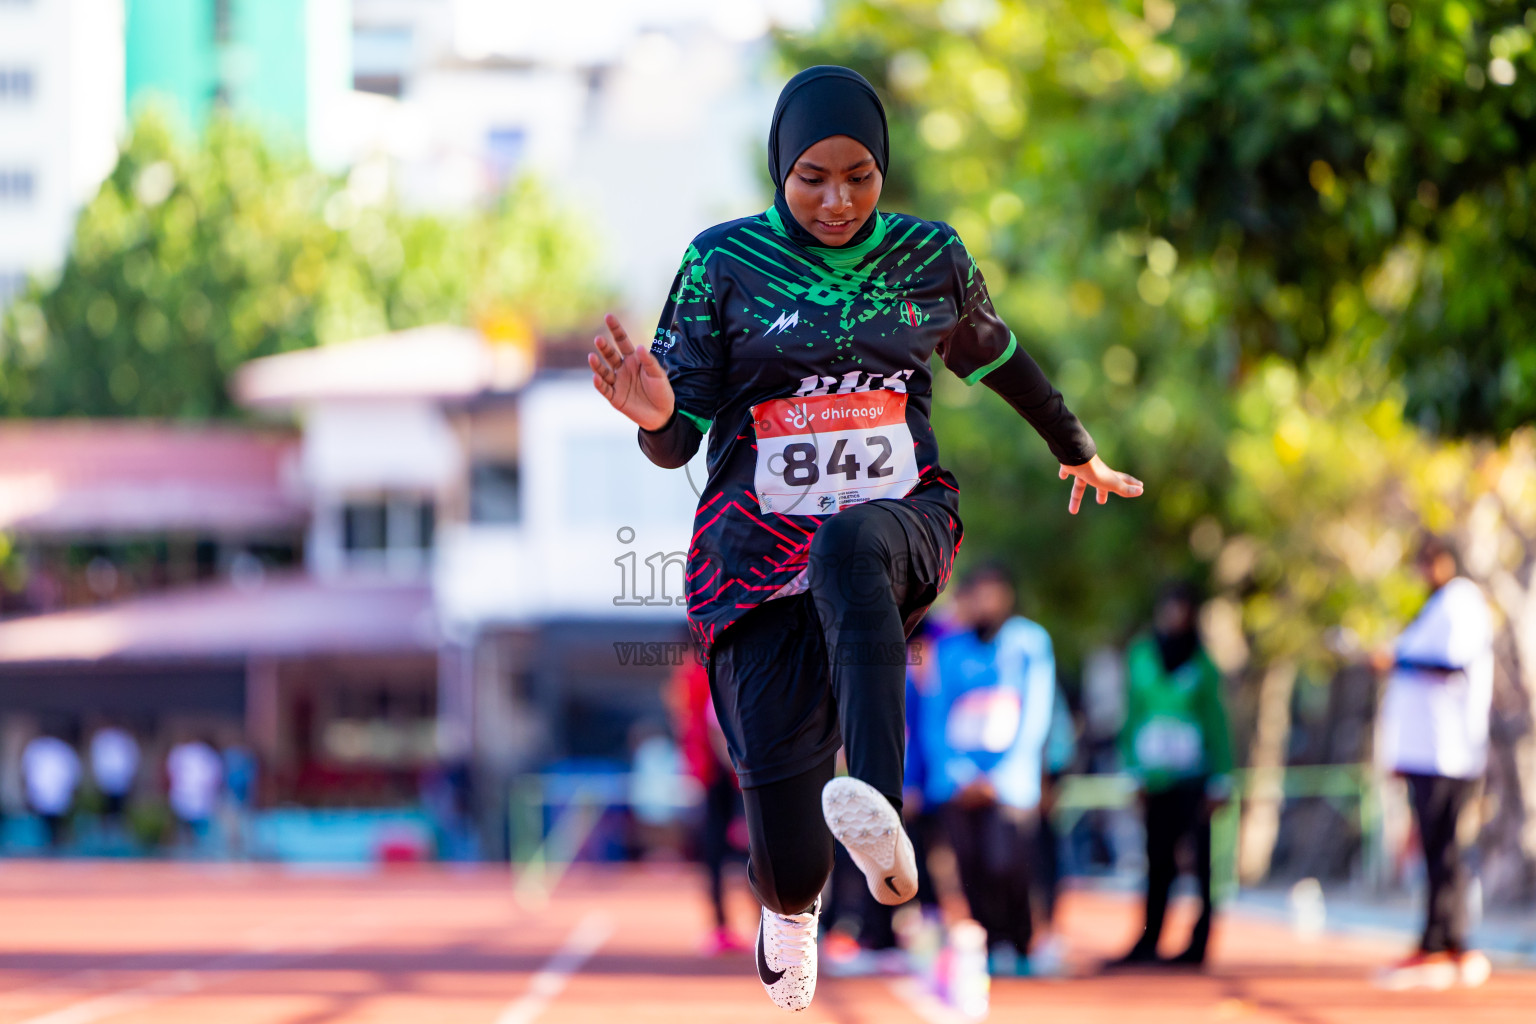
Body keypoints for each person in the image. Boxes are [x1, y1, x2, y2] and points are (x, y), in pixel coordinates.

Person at [588, 65, 1142, 1011]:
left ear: (884, 167)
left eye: (859, 176)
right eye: (813, 178)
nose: (838, 200)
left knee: (850, 545)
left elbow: (998, 357)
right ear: (778, 169)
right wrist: (654, 417)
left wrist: (1075, 447)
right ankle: (793, 905)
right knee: (790, 856)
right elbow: (680, 429)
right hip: (752, 560)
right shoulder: (724, 264)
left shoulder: (929, 259)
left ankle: (878, 813)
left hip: (902, 519)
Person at [922, 563, 1063, 976]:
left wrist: (999, 779)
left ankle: (1020, 942)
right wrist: (961, 775)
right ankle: (988, 942)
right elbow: (936, 718)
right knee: (971, 867)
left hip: (1010, 784)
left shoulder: (1031, 644)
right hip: (958, 784)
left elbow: (1035, 716)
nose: (985, 601)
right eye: (977, 592)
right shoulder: (947, 651)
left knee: (1009, 862)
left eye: (993, 592)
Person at [1373, 536, 1494, 991]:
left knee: (1445, 848)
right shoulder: (1438, 606)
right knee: (1435, 848)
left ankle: (1450, 942)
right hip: (1430, 752)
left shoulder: (1460, 601)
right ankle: (1440, 940)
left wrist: (1397, 658)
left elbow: (1451, 661)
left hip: (1449, 752)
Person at [1111, 581, 1232, 968]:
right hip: (1156, 778)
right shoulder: (1142, 655)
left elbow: (1216, 721)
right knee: (1157, 860)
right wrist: (1131, 770)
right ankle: (1149, 941)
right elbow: (1132, 714)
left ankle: (1198, 945)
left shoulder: (1203, 662)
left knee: (1200, 865)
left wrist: (1222, 776)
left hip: (1194, 778)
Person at [668, 658, 749, 956]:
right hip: (725, 773)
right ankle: (729, 925)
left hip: (718, 771)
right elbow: (710, 725)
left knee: (727, 850)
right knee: (736, 849)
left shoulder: (692, 674)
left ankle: (726, 925)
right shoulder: (706, 671)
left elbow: (689, 721)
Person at [22, 732, 80, 851]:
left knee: (55, 828)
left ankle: (54, 850)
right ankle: (47, 850)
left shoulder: (60, 750)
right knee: (43, 829)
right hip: (43, 795)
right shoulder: (38, 748)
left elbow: (72, 775)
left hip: (56, 796)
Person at [166, 737, 224, 849]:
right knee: (193, 838)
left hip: (192, 801)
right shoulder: (206, 756)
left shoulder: (183, 753)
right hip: (191, 801)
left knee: (195, 837)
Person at [89, 724, 140, 828]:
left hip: (121, 781)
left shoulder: (123, 738)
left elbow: (131, 758)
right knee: (107, 808)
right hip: (107, 781)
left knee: (120, 808)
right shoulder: (102, 739)